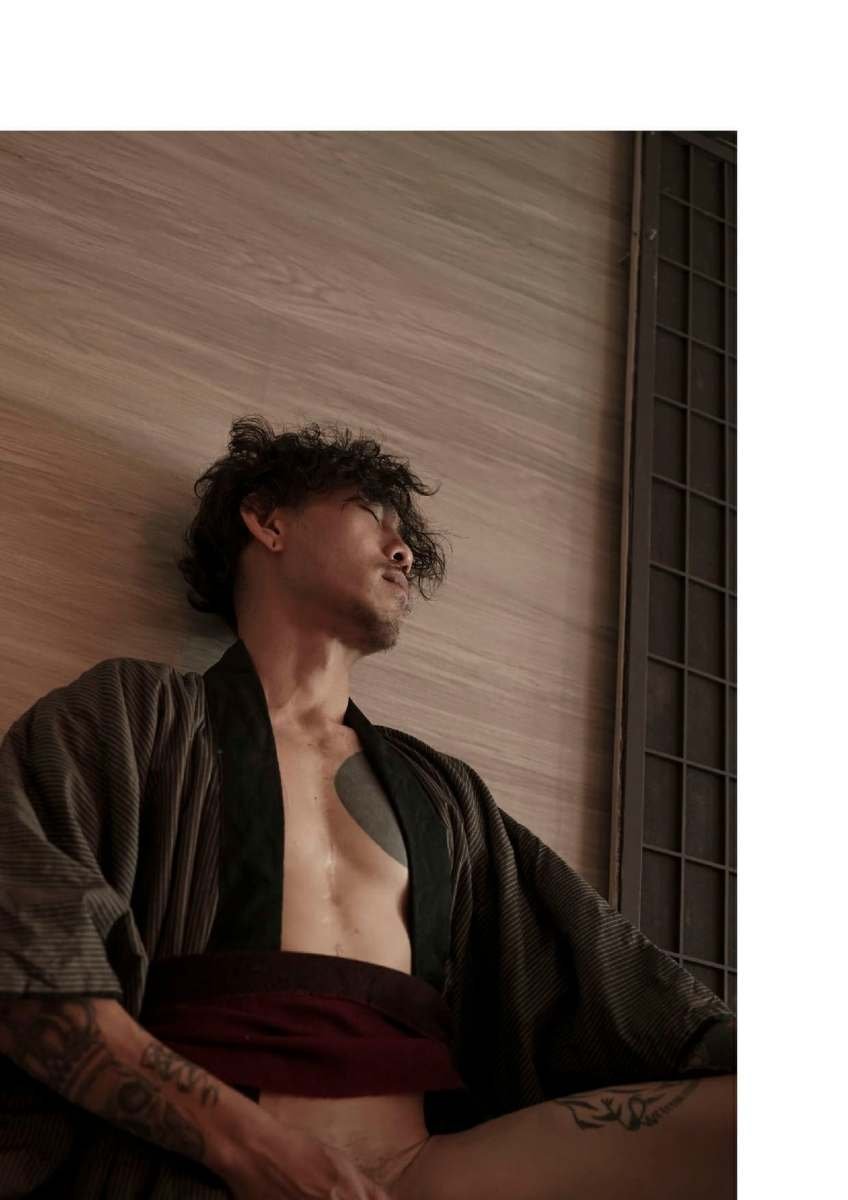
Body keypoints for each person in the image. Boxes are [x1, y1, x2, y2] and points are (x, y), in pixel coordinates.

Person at [0, 416, 736, 1199]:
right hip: (201, 1163)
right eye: (374, 514)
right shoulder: (133, 714)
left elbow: (614, 987)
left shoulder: (443, 794)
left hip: (420, 1173)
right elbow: (21, 947)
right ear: (268, 520)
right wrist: (250, 1148)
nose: (403, 551)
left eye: (407, 537)